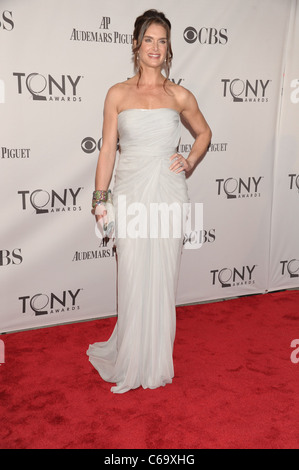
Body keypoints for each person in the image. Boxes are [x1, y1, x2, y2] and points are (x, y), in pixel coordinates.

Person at [87, 9, 212, 393]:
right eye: (149, 40)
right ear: (136, 44)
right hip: (129, 194)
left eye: (163, 40)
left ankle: (155, 360)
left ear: (168, 47)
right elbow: (108, 148)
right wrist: (100, 199)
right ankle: (130, 358)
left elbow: (204, 133)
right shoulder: (117, 93)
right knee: (133, 274)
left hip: (168, 193)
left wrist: (189, 160)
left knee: (162, 277)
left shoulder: (179, 95)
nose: (155, 47)